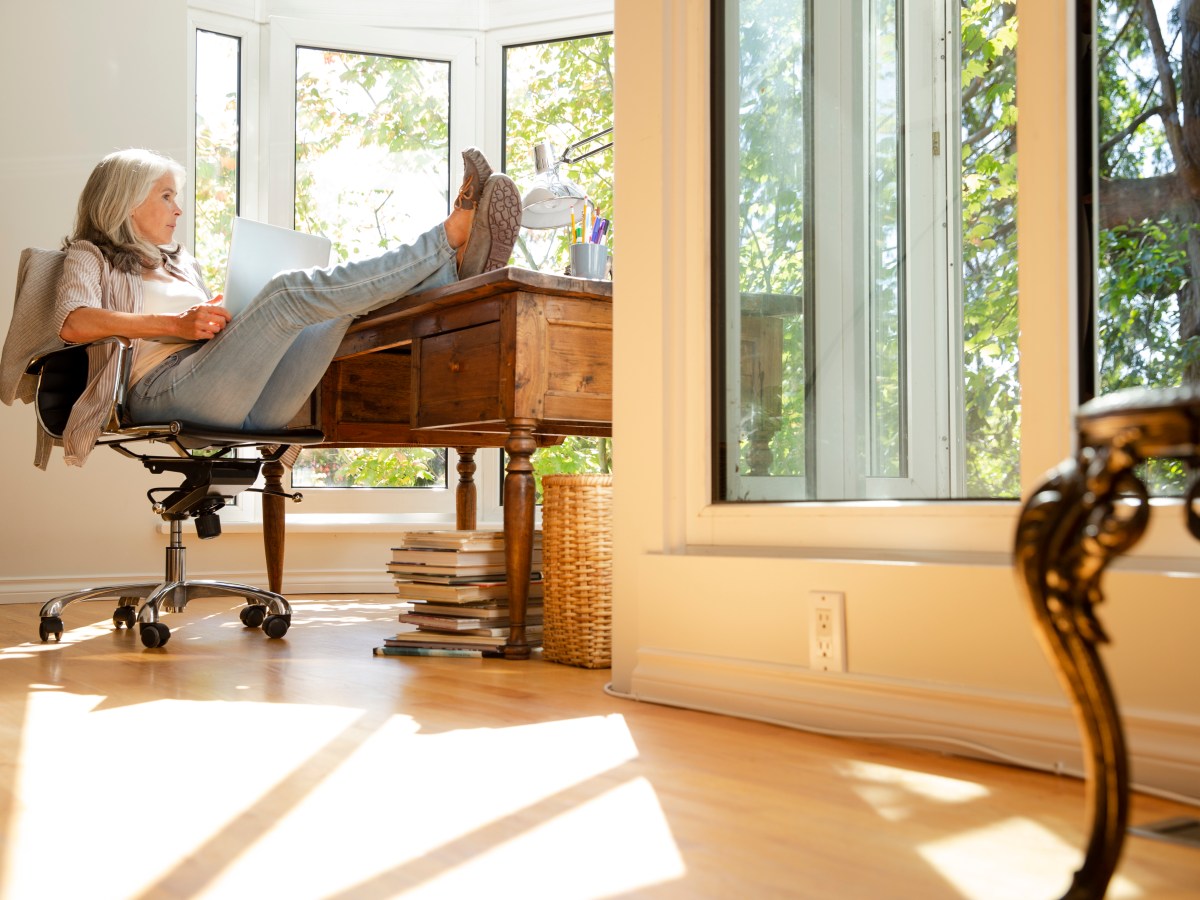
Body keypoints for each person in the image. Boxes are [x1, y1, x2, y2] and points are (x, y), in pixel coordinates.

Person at [30, 146, 520, 466]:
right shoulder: (87, 256)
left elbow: (208, 336)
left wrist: (225, 316)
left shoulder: (183, 265)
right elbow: (73, 323)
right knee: (287, 293)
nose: (178, 209)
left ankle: (449, 271)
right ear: (126, 203)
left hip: (245, 398)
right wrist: (177, 323)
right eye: (165, 196)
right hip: (162, 392)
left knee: (338, 308)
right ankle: (447, 242)